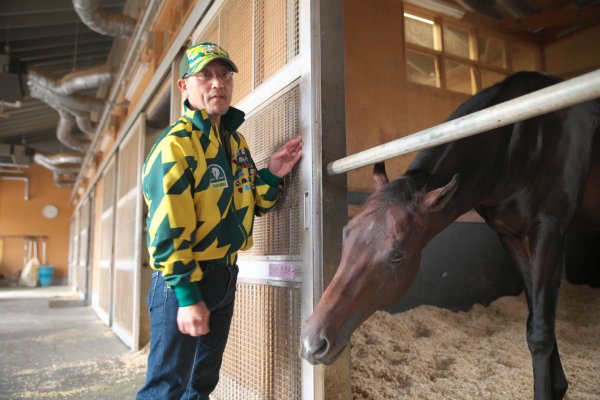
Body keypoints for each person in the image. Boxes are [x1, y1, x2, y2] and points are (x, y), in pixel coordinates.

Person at [136, 42, 303, 399]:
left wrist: (273, 173)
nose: (217, 83)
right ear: (185, 86)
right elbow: (166, 231)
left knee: (201, 384)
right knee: (166, 388)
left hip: (226, 276)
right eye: (206, 75)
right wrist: (186, 295)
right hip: (184, 279)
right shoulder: (175, 146)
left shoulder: (235, 142)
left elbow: (254, 203)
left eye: (224, 74)